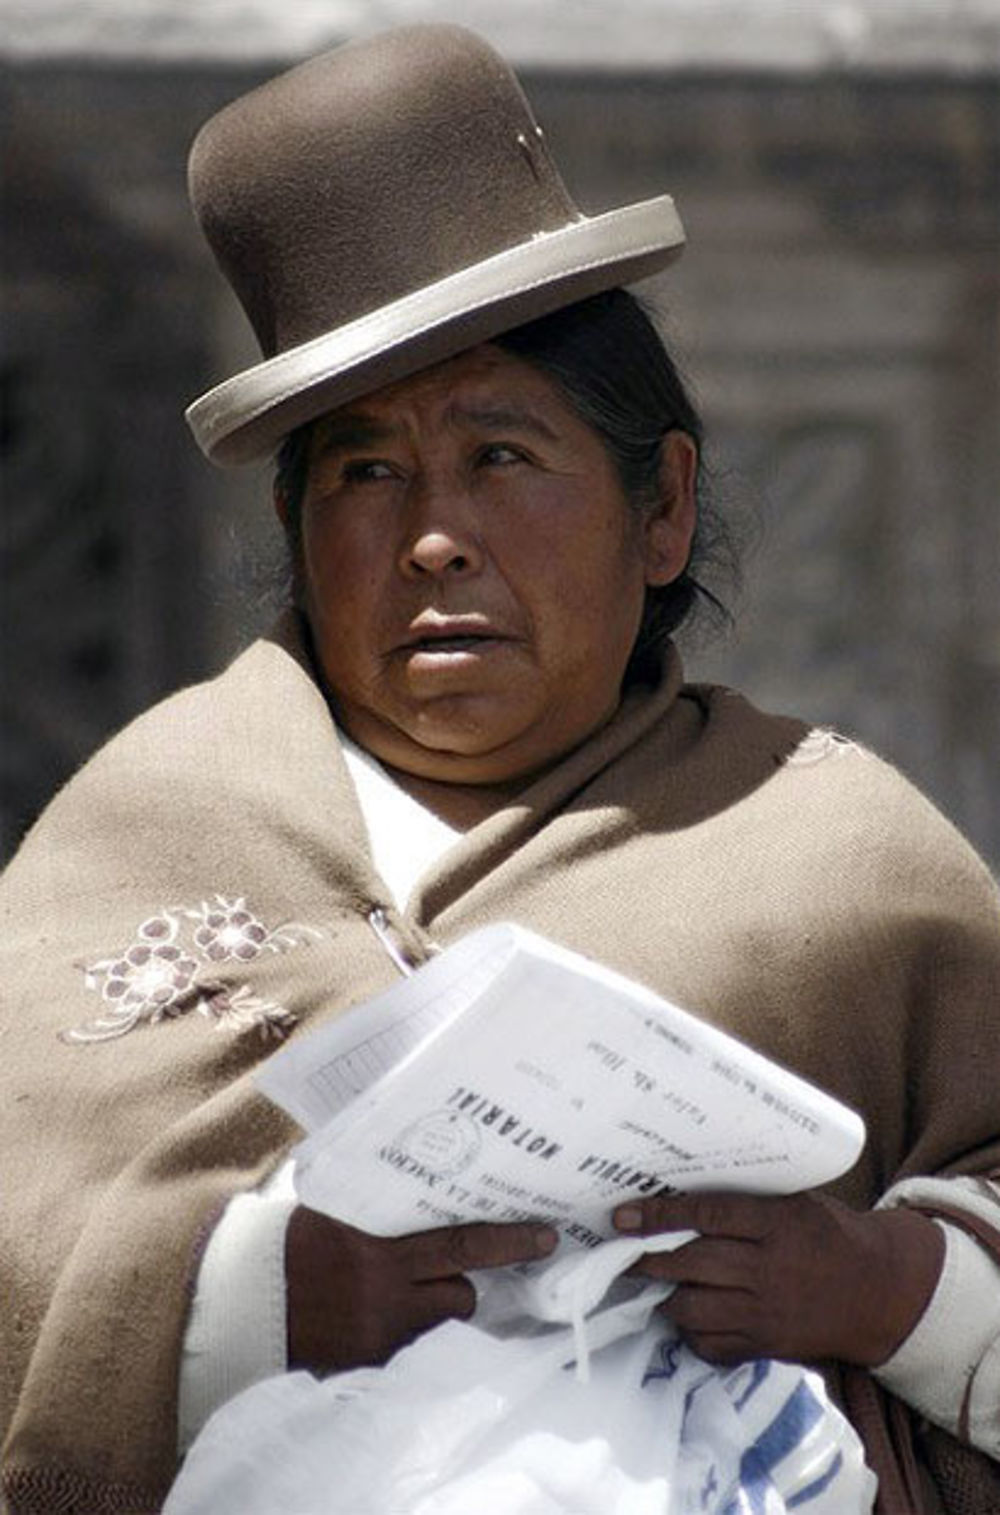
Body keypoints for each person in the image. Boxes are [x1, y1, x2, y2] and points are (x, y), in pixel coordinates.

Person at [1, 23, 998, 1515]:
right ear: (299, 543)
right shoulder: (141, 829)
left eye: (503, 455)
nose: (433, 536)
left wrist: (892, 1288)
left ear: (659, 509)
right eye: (365, 472)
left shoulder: (839, 851)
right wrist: (249, 1301)